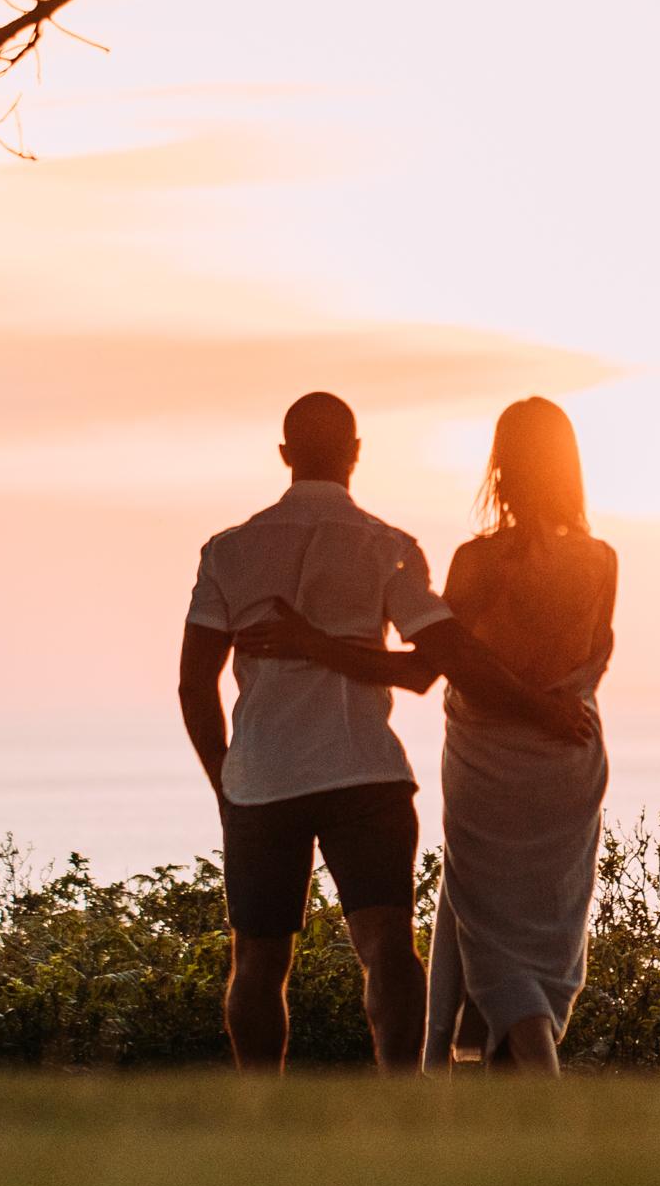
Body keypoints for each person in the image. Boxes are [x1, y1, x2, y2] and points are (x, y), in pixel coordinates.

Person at [179, 391, 592, 1073]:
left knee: (257, 958)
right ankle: (400, 1097)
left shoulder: (230, 551)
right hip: (366, 773)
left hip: (262, 778)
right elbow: (432, 667)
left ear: (285, 455)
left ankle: (260, 1108)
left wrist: (226, 777)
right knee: (387, 948)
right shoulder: (389, 548)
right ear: (356, 453)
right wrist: (539, 704)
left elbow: (195, 684)